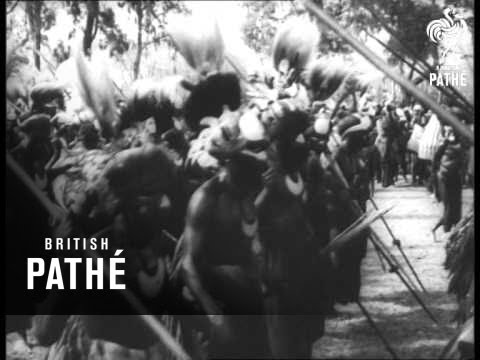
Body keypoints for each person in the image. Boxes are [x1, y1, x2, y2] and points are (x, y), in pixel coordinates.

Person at [180, 147, 271, 358]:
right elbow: (188, 265)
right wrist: (213, 314)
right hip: (214, 294)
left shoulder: (246, 191)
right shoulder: (204, 200)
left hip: (246, 292)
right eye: (246, 191)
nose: (249, 195)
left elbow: (250, 242)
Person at [431, 125, 465, 241]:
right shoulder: (446, 145)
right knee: (450, 206)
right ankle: (446, 230)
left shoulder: (455, 145)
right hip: (446, 179)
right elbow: (436, 160)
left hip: (453, 178)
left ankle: (450, 230)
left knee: (454, 205)